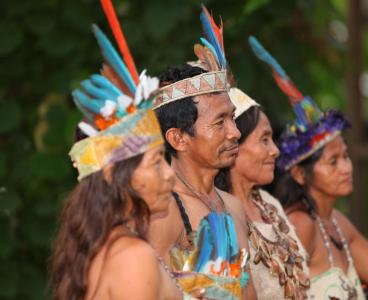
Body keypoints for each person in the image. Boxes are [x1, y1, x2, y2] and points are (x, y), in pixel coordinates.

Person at [250, 36, 368, 299]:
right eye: (333, 161)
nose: (346, 168)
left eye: (346, 156)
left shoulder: (337, 223)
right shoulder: (299, 224)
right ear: (299, 173)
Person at [50, 3, 183, 299]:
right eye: (156, 161)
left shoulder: (104, 248)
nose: (170, 175)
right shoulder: (132, 257)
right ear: (112, 172)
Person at [153, 6, 255, 300]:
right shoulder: (162, 211)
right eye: (219, 122)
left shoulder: (233, 207)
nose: (235, 132)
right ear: (178, 138)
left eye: (232, 118)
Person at [215, 87, 310, 300]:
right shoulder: (217, 217)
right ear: (233, 146)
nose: (275, 150)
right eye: (264, 140)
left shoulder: (269, 203)